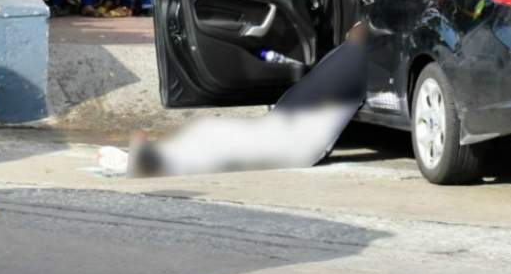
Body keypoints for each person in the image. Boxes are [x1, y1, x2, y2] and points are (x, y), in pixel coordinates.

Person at [96, 22, 368, 178]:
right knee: (212, 132)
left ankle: (155, 161)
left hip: (294, 139)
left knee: (220, 140)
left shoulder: (356, 61)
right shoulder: (349, 58)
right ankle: (155, 158)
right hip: (285, 128)